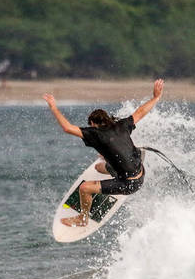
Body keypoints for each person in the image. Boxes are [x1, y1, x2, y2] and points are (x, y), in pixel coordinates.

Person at [43, 79, 164, 227]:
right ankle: (120, 165)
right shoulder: (122, 125)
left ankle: (83, 219)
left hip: (129, 184)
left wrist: (53, 107)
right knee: (98, 167)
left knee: (85, 188)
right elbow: (141, 112)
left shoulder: (95, 134)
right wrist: (156, 97)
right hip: (141, 172)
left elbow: (67, 128)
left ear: (93, 124)